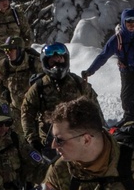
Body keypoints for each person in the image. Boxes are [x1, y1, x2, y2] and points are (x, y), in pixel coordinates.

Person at [20, 43, 99, 172]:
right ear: (46, 63)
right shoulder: (38, 87)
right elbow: (26, 114)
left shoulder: (79, 83)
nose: (57, 64)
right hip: (50, 143)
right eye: (53, 61)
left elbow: (95, 109)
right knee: (54, 176)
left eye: (60, 60)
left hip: (77, 138)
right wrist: (33, 140)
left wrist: (97, 132)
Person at [82, 9, 134, 126]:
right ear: (123, 22)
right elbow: (103, 56)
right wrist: (90, 71)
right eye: (129, 22)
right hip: (128, 76)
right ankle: (129, 130)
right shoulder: (117, 40)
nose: (132, 25)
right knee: (129, 107)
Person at [0, 37, 44, 132]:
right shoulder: (5, 65)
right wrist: (3, 94)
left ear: (19, 50)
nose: (7, 52)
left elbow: (49, 80)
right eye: (5, 49)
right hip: (16, 112)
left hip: (35, 111)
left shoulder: (35, 63)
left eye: (10, 49)